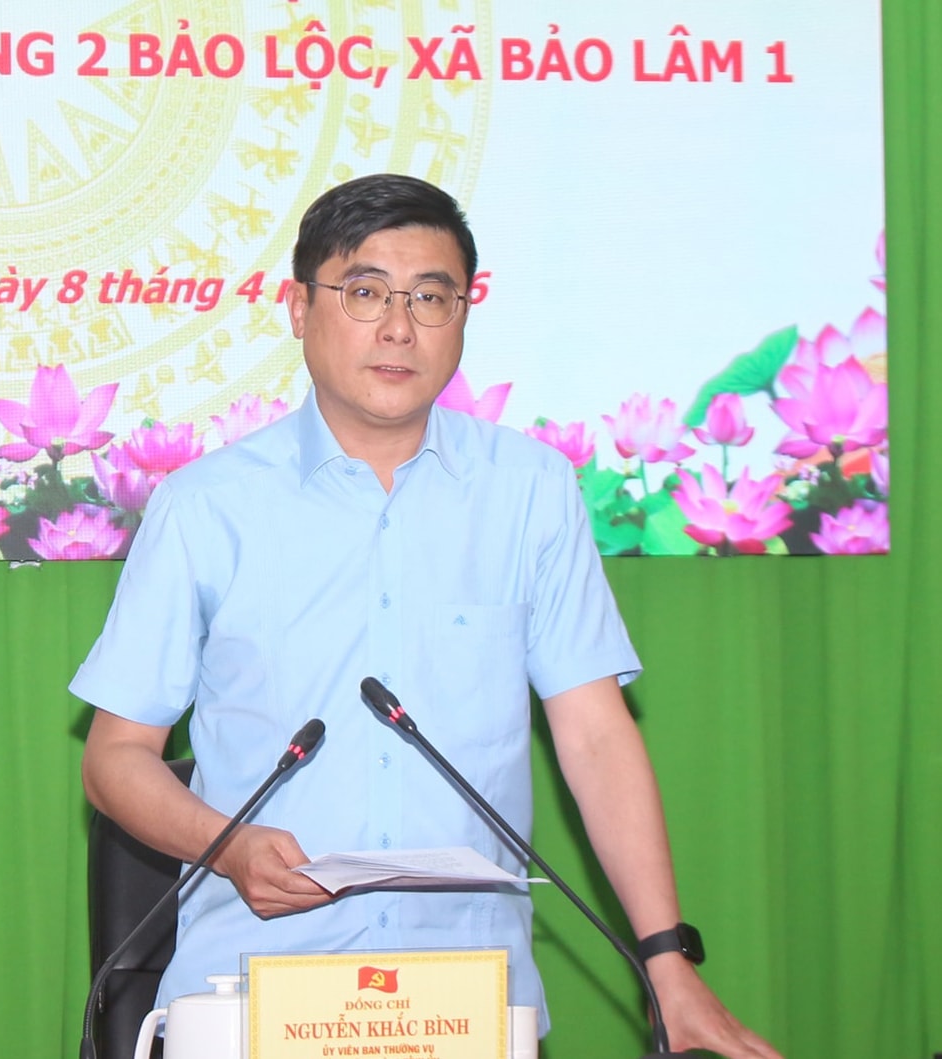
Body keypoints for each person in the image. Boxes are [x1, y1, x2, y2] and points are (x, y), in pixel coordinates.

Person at [72, 173, 780, 1057]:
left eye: (430, 297)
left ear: (462, 315)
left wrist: (666, 960)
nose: (398, 327)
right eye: (364, 292)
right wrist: (227, 845)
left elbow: (595, 735)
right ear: (298, 308)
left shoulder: (530, 491)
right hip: (251, 990)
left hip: (466, 999)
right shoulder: (204, 507)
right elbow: (114, 758)